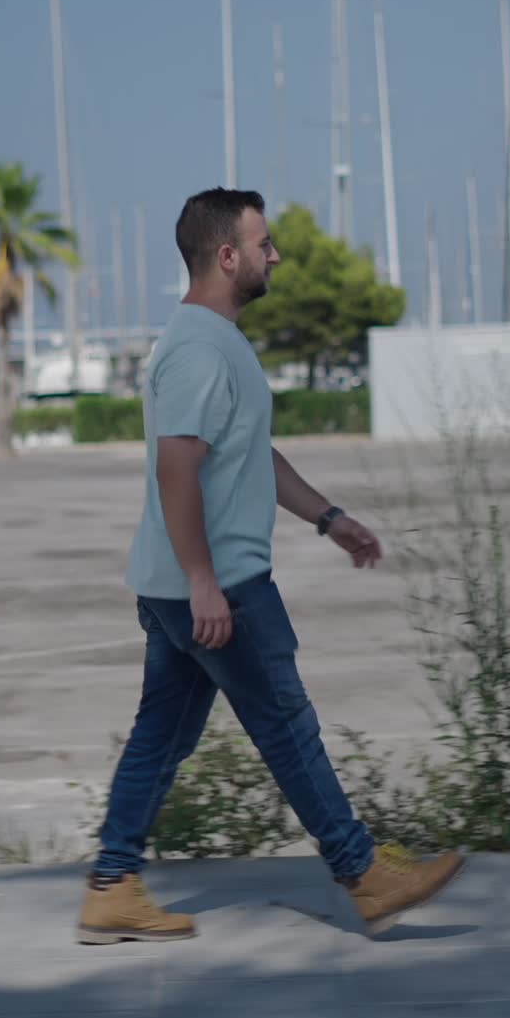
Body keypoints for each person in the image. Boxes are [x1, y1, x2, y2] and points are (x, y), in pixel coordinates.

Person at [77, 188, 463, 943]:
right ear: (227, 256)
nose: (274, 255)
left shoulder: (214, 342)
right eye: (263, 244)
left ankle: (110, 886)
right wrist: (203, 584)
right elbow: (176, 469)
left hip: (182, 586)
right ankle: (363, 874)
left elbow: (249, 455)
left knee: (161, 737)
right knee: (287, 727)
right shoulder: (195, 347)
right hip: (216, 586)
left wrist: (329, 518)